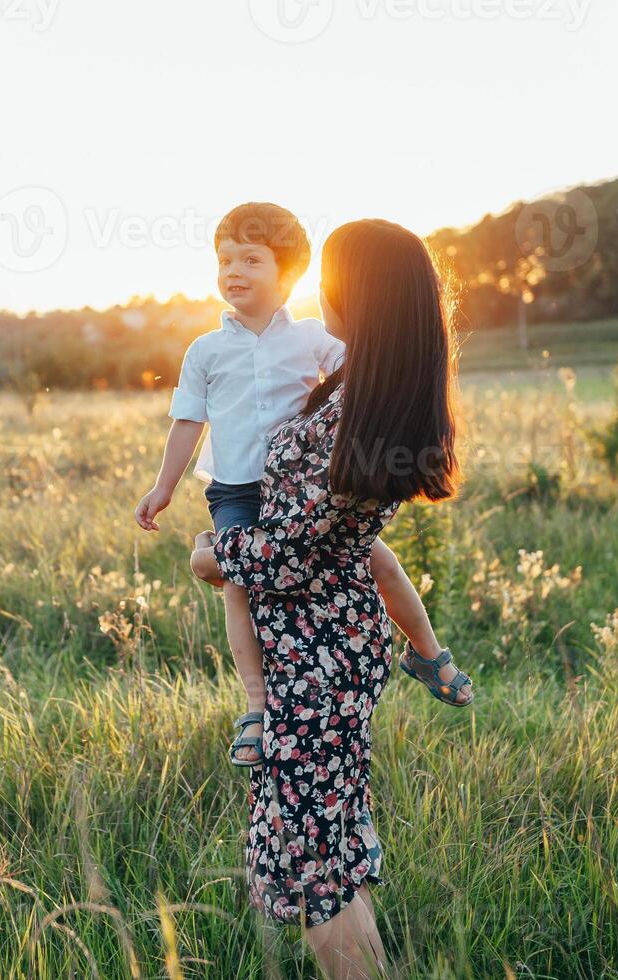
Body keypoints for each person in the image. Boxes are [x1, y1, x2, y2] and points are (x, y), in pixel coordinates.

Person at [189, 218, 466, 978]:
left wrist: (214, 554)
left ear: (359, 293)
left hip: (318, 653)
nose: (322, 293)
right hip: (319, 643)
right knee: (325, 841)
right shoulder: (352, 388)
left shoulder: (359, 412)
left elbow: (288, 553)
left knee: (308, 860)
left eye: (333, 277)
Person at [135, 203, 471, 770]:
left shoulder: (314, 338)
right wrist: (163, 488)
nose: (232, 270)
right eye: (223, 260)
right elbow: (188, 422)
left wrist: (209, 557)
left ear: (288, 273)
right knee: (239, 588)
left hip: (301, 492)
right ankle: (255, 706)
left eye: (250, 259)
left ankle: (429, 653)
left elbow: (371, 359)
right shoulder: (205, 351)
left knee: (381, 562)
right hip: (238, 491)